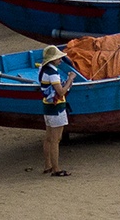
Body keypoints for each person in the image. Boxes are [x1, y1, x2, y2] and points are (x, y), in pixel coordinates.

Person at [38, 44, 75, 174]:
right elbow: (61, 92)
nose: (60, 60)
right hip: (56, 108)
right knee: (55, 139)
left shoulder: (43, 69)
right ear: (53, 60)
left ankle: (47, 165)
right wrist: (70, 79)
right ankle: (56, 169)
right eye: (58, 58)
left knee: (48, 138)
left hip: (47, 107)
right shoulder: (53, 73)